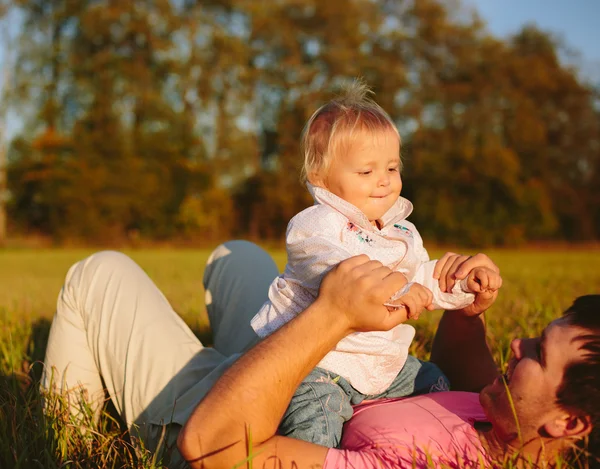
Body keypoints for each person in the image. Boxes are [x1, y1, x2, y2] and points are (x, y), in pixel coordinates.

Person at [42, 242, 599, 468]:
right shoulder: (508, 423)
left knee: (98, 274)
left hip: (229, 412)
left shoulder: (425, 462)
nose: (516, 343)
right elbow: (459, 364)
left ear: (568, 420)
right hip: (317, 368)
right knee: (237, 257)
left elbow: (220, 451)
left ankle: (65, 440)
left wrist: (331, 316)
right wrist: (465, 303)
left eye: (536, 353)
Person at [250, 80, 498, 446]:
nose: (383, 182)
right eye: (366, 172)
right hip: (320, 366)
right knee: (315, 423)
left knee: (438, 384)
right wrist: (397, 288)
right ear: (321, 178)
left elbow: (421, 279)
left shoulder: (402, 232)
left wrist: (459, 285)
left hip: (384, 367)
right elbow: (336, 271)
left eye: (392, 169)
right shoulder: (315, 226)